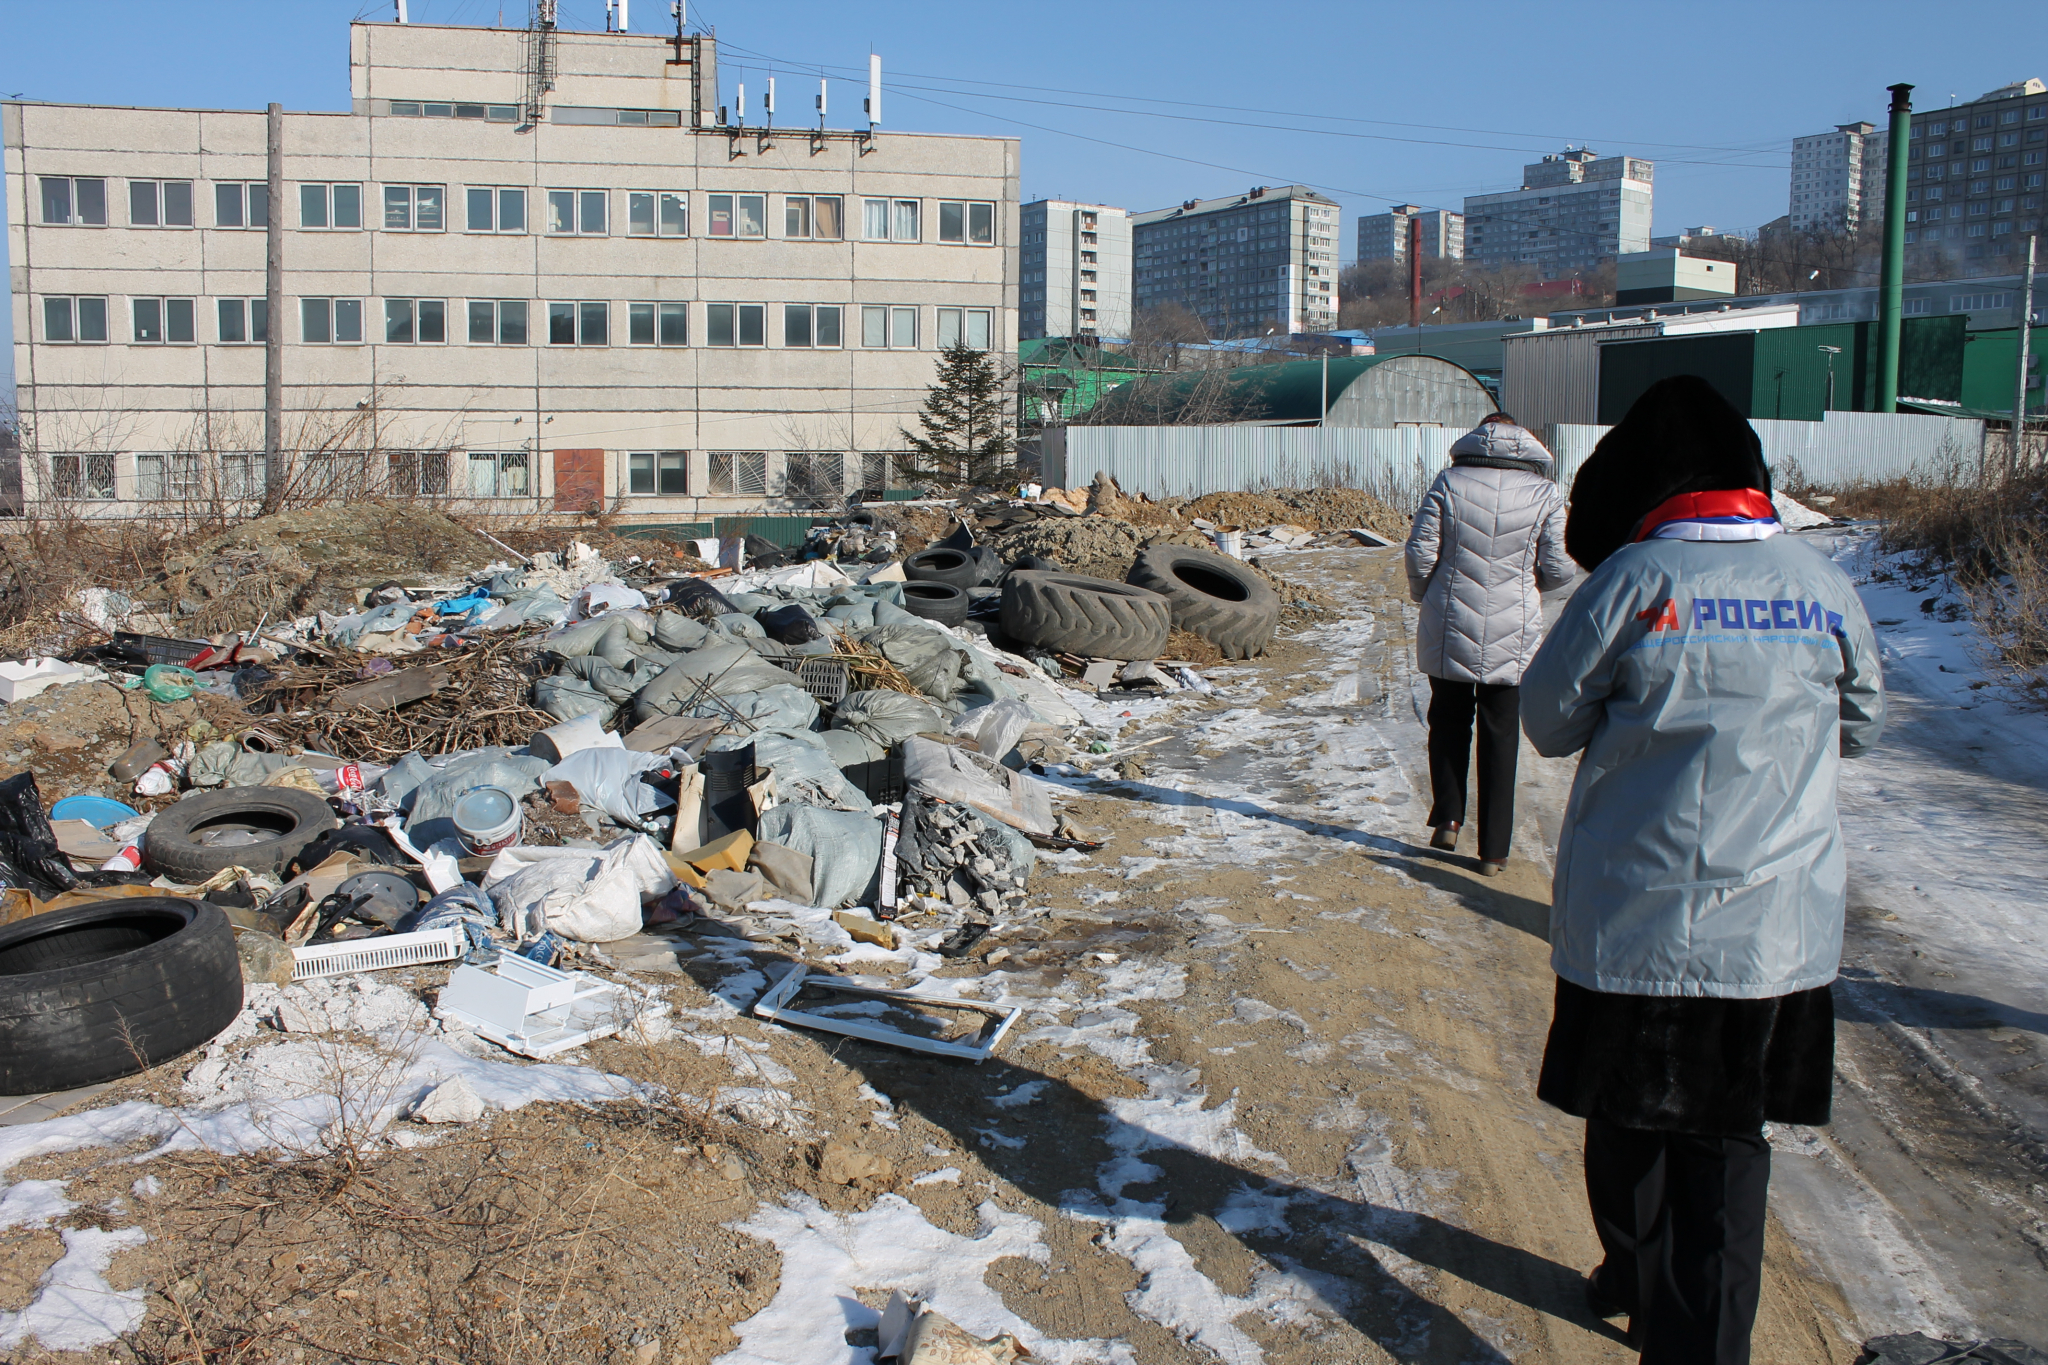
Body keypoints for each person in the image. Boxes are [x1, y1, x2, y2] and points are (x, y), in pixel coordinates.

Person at [1519, 376, 1886, 1365]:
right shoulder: (1822, 586)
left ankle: (1633, 1276)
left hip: (1633, 922)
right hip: (1773, 933)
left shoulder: (1631, 581)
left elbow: (1547, 722)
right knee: (1726, 1146)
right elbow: (1864, 722)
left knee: (1626, 1115)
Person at [1403, 412, 1572, 875]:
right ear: (1524, 440)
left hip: (1451, 615)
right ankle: (1494, 851)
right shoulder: (1545, 493)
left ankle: (1449, 818)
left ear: (1476, 438)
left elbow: (1420, 552)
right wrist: (1526, 585)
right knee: (1501, 733)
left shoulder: (1450, 481)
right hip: (1513, 625)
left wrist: (1428, 595)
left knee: (1449, 719)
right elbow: (1559, 567)